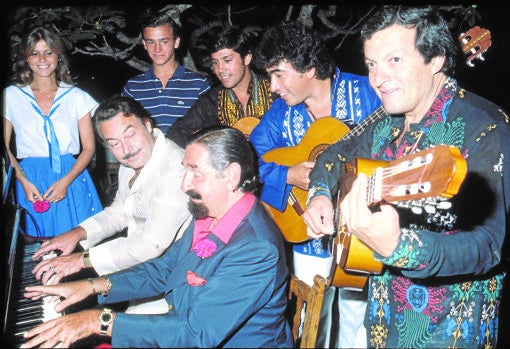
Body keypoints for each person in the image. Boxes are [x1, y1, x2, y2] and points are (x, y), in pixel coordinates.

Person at [303, 5, 510, 349]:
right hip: (382, 322)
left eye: (394, 60)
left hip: (449, 333)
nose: (377, 78)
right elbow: (333, 154)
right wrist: (321, 194)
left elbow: (487, 246)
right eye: (371, 64)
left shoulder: (486, 127)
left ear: (436, 60)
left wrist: (401, 248)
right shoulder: (384, 122)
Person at [22, 127, 293, 348]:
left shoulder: (255, 249)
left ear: (231, 176)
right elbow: (163, 270)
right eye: (184, 171)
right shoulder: (210, 215)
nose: (184, 185)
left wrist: (98, 321)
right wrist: (92, 285)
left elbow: (195, 334)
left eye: (195, 173)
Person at [250, 21, 382, 348]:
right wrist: (288, 175)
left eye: (279, 74)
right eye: (269, 76)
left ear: (308, 67)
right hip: (306, 234)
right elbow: (246, 164)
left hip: (361, 233)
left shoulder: (368, 94)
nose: (272, 86)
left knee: (357, 323)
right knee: (311, 322)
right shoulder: (279, 115)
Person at [30, 95, 191, 314]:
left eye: (130, 134)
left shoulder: (176, 170)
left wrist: (82, 259)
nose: (126, 149)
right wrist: (78, 233)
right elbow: (120, 211)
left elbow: (151, 244)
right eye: (114, 143)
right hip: (146, 274)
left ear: (147, 125)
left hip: (179, 284)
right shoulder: (134, 162)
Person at [3, 26, 103, 238]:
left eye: (48, 52)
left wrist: (66, 181)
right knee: (35, 247)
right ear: (26, 58)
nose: (42, 59)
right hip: (30, 178)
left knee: (74, 246)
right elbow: (3, 147)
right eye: (34, 53)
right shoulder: (11, 96)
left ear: (58, 56)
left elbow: (89, 148)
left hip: (70, 175)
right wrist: (23, 181)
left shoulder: (76, 96)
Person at [165, 25, 275, 147]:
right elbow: (175, 135)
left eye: (227, 60)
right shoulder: (212, 101)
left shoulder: (276, 91)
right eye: (215, 63)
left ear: (247, 58)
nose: (220, 69)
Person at [121, 6, 211, 134]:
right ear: (145, 44)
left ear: (176, 42)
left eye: (163, 41)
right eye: (151, 42)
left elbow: (210, 133)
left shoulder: (199, 85)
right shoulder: (132, 88)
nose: (157, 49)